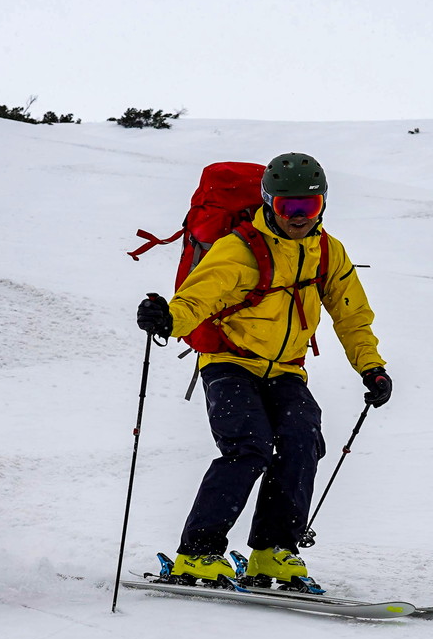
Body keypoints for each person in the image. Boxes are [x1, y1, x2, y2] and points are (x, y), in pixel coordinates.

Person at [136, 152, 391, 588]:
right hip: (229, 361)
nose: (297, 218)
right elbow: (199, 296)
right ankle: (197, 554)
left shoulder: (327, 252)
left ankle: (273, 552)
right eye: (287, 207)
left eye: (307, 208)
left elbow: (351, 315)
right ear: (268, 203)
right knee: (248, 445)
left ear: (323, 205)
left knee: (301, 440)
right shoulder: (239, 247)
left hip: (286, 367)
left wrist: (372, 368)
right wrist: (168, 318)